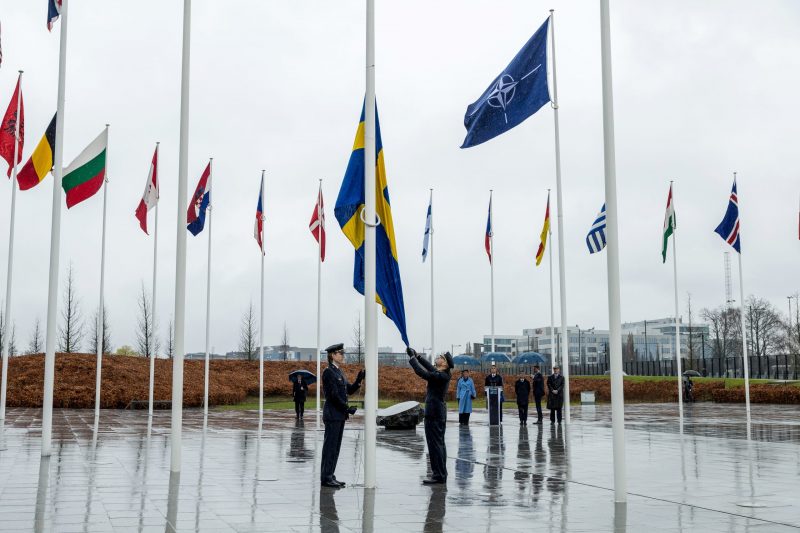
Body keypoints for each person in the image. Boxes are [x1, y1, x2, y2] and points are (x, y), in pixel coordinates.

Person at [321, 343, 365, 488]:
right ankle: (326, 477)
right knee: (330, 447)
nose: (342, 355)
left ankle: (331, 475)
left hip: (339, 415)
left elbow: (349, 390)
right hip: (333, 414)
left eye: (342, 353)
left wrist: (359, 380)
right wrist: (347, 408)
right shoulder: (328, 372)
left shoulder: (339, 372)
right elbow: (333, 396)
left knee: (336, 447)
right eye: (340, 353)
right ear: (332, 355)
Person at [407, 347, 453, 485]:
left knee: (435, 445)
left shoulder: (442, 376)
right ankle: (441, 473)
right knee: (439, 444)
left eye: (440, 357)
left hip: (434, 413)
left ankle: (438, 475)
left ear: (444, 363)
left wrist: (412, 359)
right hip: (437, 413)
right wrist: (418, 357)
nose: (437, 357)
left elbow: (422, 373)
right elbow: (429, 367)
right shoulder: (442, 373)